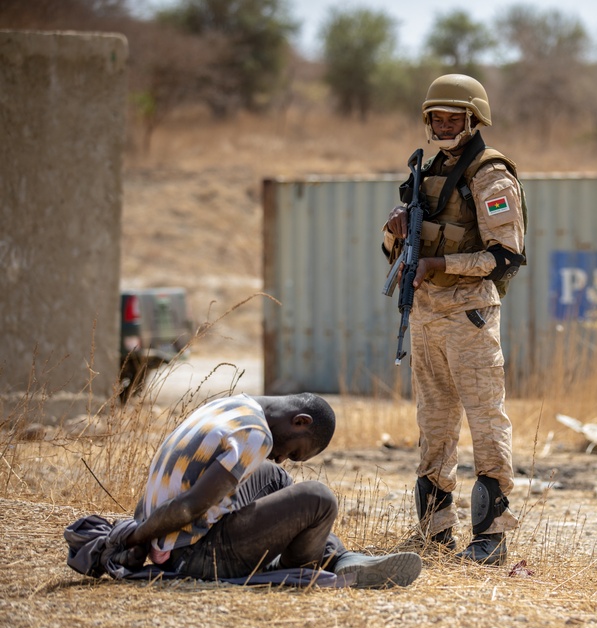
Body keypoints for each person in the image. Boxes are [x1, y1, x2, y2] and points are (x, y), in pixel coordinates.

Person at [381, 74, 525, 565]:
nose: (443, 126)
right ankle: (433, 532)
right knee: (434, 422)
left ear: (473, 119)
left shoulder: (490, 175)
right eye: (436, 118)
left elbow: (505, 256)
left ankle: (492, 535)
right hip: (426, 314)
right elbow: (396, 254)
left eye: (453, 118)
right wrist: (396, 231)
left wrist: (442, 265)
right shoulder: (426, 171)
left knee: (485, 419)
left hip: (469, 314)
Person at [115, 392, 421, 588]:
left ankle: (340, 556)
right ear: (300, 421)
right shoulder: (255, 436)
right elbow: (188, 507)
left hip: (170, 540)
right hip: (192, 553)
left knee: (273, 476)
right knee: (319, 499)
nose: (281, 457)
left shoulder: (236, 404)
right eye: (293, 451)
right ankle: (309, 563)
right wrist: (132, 538)